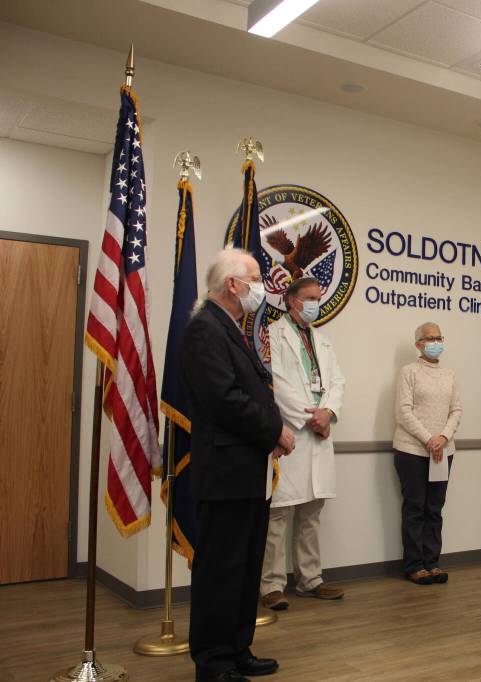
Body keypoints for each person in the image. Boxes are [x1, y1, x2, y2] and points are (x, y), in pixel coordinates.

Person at [183, 248, 296, 682]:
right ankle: (214, 663)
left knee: (246, 566)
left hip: (248, 472)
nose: (261, 287)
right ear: (232, 284)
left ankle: (237, 648)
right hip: (226, 473)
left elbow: (254, 392)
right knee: (222, 570)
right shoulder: (204, 330)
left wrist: (272, 431)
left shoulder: (230, 327)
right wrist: (273, 433)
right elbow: (225, 400)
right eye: (254, 278)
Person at [260, 277, 346, 611]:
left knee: (312, 512)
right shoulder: (274, 335)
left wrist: (329, 412)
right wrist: (311, 418)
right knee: (279, 514)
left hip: (319, 435)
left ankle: (310, 579)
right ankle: (271, 585)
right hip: (290, 433)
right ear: (291, 300)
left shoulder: (321, 340)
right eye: (310, 298)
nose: (315, 303)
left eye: (318, 298)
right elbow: (277, 383)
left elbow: (337, 381)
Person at [392, 322, 462, 585]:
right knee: (415, 508)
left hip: (444, 451)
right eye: (430, 338)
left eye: (439, 337)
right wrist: (428, 438)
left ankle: (432, 563)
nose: (435, 341)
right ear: (418, 344)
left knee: (435, 508)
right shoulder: (408, 372)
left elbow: (456, 410)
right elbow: (404, 411)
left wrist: (442, 437)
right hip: (412, 451)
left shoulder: (450, 374)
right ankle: (414, 565)